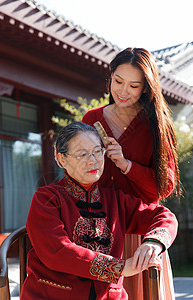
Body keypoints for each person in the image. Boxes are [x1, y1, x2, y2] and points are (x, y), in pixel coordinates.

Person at [21, 122, 178, 300]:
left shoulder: (115, 200)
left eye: (97, 151)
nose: (93, 160)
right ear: (60, 158)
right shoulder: (46, 199)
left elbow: (164, 216)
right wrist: (117, 267)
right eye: (82, 154)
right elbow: (57, 252)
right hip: (53, 295)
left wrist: (153, 243)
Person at [82, 47, 180, 299]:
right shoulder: (91, 119)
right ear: (110, 76)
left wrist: (126, 165)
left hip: (140, 233)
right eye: (118, 81)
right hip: (97, 231)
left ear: (146, 88)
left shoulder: (157, 125)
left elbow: (165, 187)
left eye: (134, 86)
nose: (123, 92)